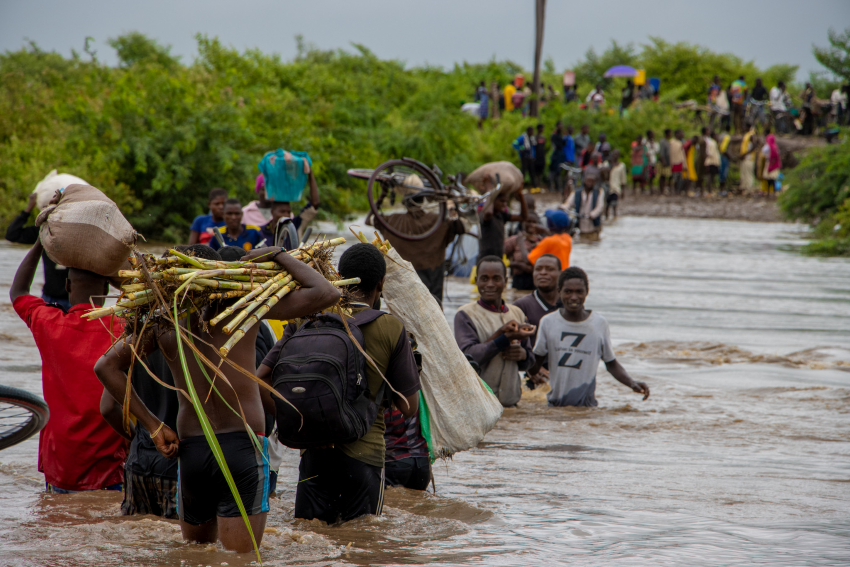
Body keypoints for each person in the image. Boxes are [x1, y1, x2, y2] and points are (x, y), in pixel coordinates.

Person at [95, 244, 340, 551]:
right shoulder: (243, 307)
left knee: (196, 556)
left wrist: (154, 426)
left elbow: (106, 366)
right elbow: (327, 292)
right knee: (241, 559)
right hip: (242, 448)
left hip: (192, 453)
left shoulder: (164, 322)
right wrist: (277, 254)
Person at [265, 243, 420, 522]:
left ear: (339, 276)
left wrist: (300, 423)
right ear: (381, 283)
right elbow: (409, 407)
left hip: (313, 455)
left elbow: (260, 377)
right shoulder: (391, 328)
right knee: (362, 548)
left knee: (310, 544)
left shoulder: (307, 318)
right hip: (365, 456)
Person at [11, 239, 126, 493]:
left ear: (67, 286)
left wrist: (40, 243)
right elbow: (150, 301)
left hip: (60, 462)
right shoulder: (121, 327)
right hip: (111, 461)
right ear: (106, 289)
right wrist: (113, 274)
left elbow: (18, 292)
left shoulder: (48, 323)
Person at [528, 267, 650, 406]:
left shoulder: (598, 323)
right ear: (559, 292)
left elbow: (611, 364)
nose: (574, 297)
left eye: (579, 291)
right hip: (555, 406)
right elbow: (534, 364)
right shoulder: (548, 322)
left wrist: (632, 383)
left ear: (587, 292)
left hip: (586, 407)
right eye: (568, 292)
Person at [100, 350, 179, 518]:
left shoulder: (136, 338)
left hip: (138, 461)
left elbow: (107, 408)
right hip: (178, 462)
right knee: (185, 541)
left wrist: (140, 437)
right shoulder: (197, 339)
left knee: (138, 541)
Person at [454, 256, 535, 408]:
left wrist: (522, 355)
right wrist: (505, 338)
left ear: (506, 280)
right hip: (479, 407)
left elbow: (529, 362)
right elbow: (469, 357)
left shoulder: (517, 313)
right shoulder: (465, 314)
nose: (490, 284)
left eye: (496, 278)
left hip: (511, 405)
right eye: (484, 279)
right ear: (476, 280)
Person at [374, 197, 464, 307]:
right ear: (423, 202)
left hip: (403, 283)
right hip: (432, 281)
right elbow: (461, 226)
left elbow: (370, 219)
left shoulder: (393, 220)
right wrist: (455, 207)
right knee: (433, 310)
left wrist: (382, 195)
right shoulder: (437, 221)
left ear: (405, 203)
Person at [5, 191, 70, 309]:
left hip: (72, 300)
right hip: (50, 297)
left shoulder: (78, 235)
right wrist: (28, 209)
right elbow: (12, 234)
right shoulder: (42, 231)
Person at [478, 186, 529, 260]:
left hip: (498, 256)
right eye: (502, 201)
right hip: (485, 258)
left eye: (506, 201)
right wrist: (490, 192)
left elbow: (523, 217)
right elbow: (488, 212)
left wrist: (520, 196)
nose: (504, 204)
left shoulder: (501, 215)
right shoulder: (484, 215)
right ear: (493, 201)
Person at [563, 168, 604, 240]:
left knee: (594, 240)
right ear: (584, 181)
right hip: (581, 223)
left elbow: (600, 207)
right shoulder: (577, 193)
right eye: (588, 181)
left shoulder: (599, 192)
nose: (590, 183)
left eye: (592, 181)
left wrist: (592, 214)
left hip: (593, 224)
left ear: (595, 182)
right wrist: (563, 207)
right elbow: (568, 203)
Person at [504, 218, 542, 291]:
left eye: (534, 222)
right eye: (529, 221)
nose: (531, 224)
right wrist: (517, 265)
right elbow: (501, 258)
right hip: (519, 279)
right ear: (523, 223)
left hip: (536, 279)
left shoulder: (542, 241)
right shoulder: (515, 240)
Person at [606, 150, 627, 219]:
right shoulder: (607, 164)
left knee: (614, 205)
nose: (615, 156)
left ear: (618, 156)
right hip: (607, 187)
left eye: (616, 154)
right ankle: (607, 218)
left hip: (616, 188)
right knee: (606, 205)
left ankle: (614, 217)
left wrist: (623, 191)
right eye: (613, 154)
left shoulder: (621, 166)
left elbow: (623, 178)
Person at [740, 124, 758, 193]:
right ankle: (744, 188)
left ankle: (749, 189)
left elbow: (754, 146)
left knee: (748, 174)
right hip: (744, 158)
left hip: (749, 158)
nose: (743, 127)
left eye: (745, 126)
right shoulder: (746, 135)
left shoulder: (751, 135)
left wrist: (745, 154)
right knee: (744, 174)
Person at [549, 122, 567, 193]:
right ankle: (551, 186)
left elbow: (562, 144)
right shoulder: (554, 135)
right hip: (556, 155)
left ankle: (557, 187)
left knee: (559, 171)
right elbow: (557, 145)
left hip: (560, 155)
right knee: (553, 171)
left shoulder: (561, 135)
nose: (561, 127)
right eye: (560, 125)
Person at [703, 128, 721, 192]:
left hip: (714, 162)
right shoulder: (711, 143)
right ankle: (709, 190)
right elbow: (708, 153)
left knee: (713, 176)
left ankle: (711, 190)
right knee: (709, 177)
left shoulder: (714, 143)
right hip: (710, 162)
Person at [670, 130, 686, 194]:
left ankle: (678, 191)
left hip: (680, 162)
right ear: (677, 134)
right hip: (674, 162)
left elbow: (682, 154)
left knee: (680, 177)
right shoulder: (671, 142)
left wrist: (685, 164)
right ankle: (674, 190)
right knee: (674, 177)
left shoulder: (681, 142)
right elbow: (670, 153)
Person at [657, 129, 672, 194]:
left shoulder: (667, 141)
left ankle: (664, 189)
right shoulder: (663, 141)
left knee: (666, 175)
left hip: (667, 160)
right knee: (662, 176)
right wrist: (663, 161)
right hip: (663, 161)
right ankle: (661, 190)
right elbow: (662, 152)